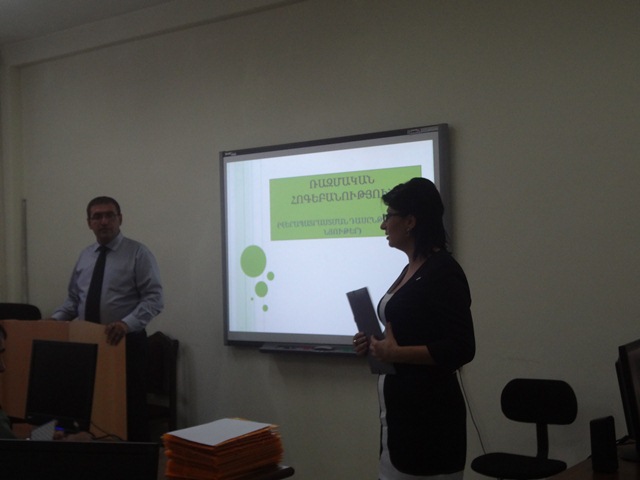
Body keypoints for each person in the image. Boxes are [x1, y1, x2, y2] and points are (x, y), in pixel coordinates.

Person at [353, 178, 475, 479]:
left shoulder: (443, 271)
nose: (383, 225)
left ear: (410, 221)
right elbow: (410, 331)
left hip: (430, 424)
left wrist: (397, 353)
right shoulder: (410, 269)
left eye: (388, 216)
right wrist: (373, 343)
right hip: (399, 420)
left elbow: (462, 347)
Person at [51, 196, 164, 441]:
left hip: (125, 343)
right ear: (89, 223)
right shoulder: (85, 256)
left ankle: (134, 459)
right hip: (86, 345)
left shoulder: (138, 253)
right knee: (89, 409)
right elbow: (74, 300)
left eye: (109, 215)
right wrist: (54, 321)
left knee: (129, 409)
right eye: (97, 216)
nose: (104, 221)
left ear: (120, 219)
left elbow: (154, 299)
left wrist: (125, 324)